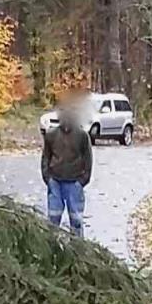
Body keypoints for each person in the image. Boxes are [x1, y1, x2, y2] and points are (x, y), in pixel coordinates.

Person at [42, 95, 93, 236]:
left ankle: (78, 250)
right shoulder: (51, 135)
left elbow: (88, 159)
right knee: (53, 220)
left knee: (76, 221)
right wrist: (48, 178)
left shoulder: (82, 135)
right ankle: (52, 249)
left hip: (74, 183)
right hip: (55, 182)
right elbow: (46, 157)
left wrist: (83, 180)